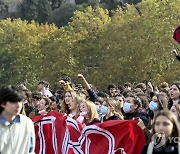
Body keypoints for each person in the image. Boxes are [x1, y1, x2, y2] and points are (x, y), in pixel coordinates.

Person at [0, 85, 35, 154]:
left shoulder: (27, 123)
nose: (18, 105)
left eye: (20, 101)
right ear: (3, 103)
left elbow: (30, 150)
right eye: (13, 102)